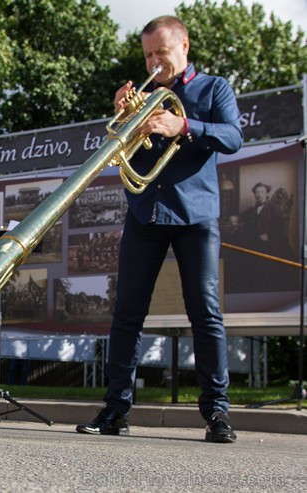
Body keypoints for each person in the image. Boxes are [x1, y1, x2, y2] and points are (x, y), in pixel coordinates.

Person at [75, 16, 243, 443]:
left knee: (204, 313)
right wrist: (124, 117)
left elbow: (233, 137)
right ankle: (115, 411)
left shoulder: (213, 88)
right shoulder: (145, 97)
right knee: (127, 313)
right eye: (148, 55)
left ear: (184, 45)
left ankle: (217, 414)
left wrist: (182, 125)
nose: (153, 62)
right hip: (145, 213)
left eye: (161, 54)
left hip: (195, 215)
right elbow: (123, 149)